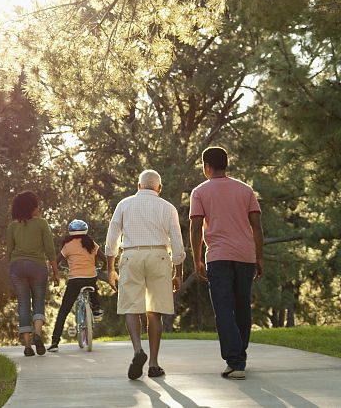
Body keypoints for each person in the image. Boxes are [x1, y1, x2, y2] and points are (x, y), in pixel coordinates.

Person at [189, 147, 264, 381]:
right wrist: (259, 256)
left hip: (218, 257)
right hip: (245, 255)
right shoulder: (245, 189)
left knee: (223, 309)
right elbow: (257, 226)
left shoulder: (200, 192)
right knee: (242, 305)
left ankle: (236, 362)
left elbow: (195, 228)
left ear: (206, 166)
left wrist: (197, 259)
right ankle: (239, 355)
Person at [105, 170, 185, 380]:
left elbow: (112, 237)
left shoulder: (124, 204)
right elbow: (177, 242)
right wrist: (179, 272)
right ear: (159, 188)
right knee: (154, 311)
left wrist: (110, 268)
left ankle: (138, 350)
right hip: (159, 255)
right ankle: (154, 364)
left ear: (138, 186)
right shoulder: (167, 207)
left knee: (132, 307)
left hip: (131, 255)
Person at [7, 190, 60, 356]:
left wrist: (12, 270)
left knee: (23, 303)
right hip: (37, 266)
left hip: (16, 267)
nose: (39, 207)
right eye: (36, 204)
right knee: (38, 301)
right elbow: (50, 250)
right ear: (30, 207)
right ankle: (37, 335)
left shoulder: (12, 226)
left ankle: (28, 346)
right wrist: (56, 272)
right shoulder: (41, 223)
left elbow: (9, 251)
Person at [47, 219, 107, 352]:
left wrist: (60, 268)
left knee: (63, 311)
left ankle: (55, 343)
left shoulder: (68, 245)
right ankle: (96, 309)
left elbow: (55, 262)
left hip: (75, 280)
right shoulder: (91, 244)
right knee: (92, 283)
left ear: (71, 232)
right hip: (90, 278)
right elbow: (105, 259)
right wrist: (103, 268)